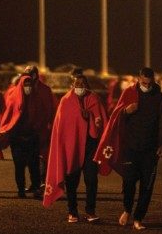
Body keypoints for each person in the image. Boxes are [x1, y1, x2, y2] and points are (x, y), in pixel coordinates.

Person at [94, 67, 162, 230]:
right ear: (139, 78)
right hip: (131, 147)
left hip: (151, 150)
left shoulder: (158, 96)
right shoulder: (129, 92)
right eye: (144, 82)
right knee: (129, 182)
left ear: (153, 81)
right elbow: (116, 115)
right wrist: (126, 111)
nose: (146, 86)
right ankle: (127, 209)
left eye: (149, 83)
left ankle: (138, 218)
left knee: (147, 185)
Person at [43, 74, 107, 223]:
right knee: (72, 180)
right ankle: (72, 211)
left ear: (87, 85)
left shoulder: (94, 99)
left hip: (91, 146)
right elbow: (61, 128)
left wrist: (89, 117)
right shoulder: (65, 102)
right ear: (72, 85)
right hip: (72, 147)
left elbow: (101, 123)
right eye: (77, 84)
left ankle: (90, 211)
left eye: (82, 83)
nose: (79, 86)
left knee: (91, 179)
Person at [0, 67, 55, 198]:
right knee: (19, 165)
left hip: (32, 136)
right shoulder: (13, 98)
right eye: (25, 84)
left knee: (34, 165)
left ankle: (36, 187)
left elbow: (43, 114)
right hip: (18, 138)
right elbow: (8, 116)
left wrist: (38, 128)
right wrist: (4, 130)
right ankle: (21, 189)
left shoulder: (37, 98)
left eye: (29, 84)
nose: (28, 87)